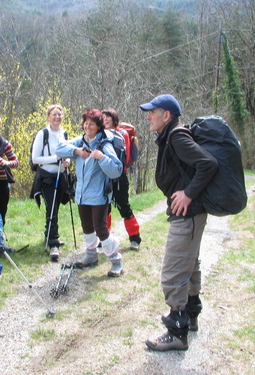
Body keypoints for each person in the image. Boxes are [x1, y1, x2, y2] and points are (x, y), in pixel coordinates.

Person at [139, 94, 218, 351]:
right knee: (189, 265)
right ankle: (191, 315)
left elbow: (208, 164)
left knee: (173, 271)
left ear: (167, 115)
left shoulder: (176, 136)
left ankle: (176, 332)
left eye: (153, 111)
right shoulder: (171, 135)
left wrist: (188, 193)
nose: (148, 116)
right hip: (190, 215)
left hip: (188, 214)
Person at [56, 108, 124, 277]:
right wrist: (77, 152)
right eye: (86, 123)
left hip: (99, 195)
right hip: (81, 194)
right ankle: (91, 255)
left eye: (92, 124)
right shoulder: (80, 142)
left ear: (99, 126)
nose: (88, 126)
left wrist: (101, 158)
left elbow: (116, 170)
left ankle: (116, 261)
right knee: (87, 227)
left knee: (101, 229)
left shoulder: (104, 145)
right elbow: (58, 148)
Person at [30, 104, 71, 261]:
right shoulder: (43, 134)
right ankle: (53, 243)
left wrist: (67, 160)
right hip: (46, 177)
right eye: (54, 114)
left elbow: (67, 153)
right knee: (51, 208)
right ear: (48, 116)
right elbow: (36, 159)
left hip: (61, 176)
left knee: (55, 208)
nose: (57, 117)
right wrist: (56, 158)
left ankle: (50, 236)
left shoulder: (64, 133)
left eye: (59, 114)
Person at [101, 108, 142, 251]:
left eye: (108, 117)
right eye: (103, 118)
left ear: (114, 119)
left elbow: (126, 156)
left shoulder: (123, 134)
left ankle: (135, 238)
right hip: (104, 177)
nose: (105, 120)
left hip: (119, 177)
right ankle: (105, 237)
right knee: (104, 208)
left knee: (124, 208)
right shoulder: (100, 134)